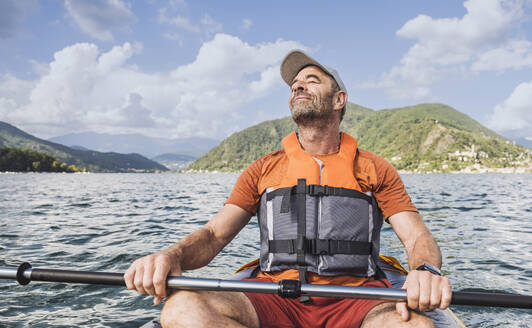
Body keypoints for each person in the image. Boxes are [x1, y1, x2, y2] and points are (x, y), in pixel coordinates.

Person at [124, 50, 452, 328]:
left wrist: (424, 271)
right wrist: (171, 255)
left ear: (339, 100)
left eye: (312, 80)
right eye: (295, 84)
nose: (298, 85)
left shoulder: (374, 168)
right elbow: (214, 236)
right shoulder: (263, 168)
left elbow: (416, 237)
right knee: (182, 309)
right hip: (274, 296)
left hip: (359, 299)